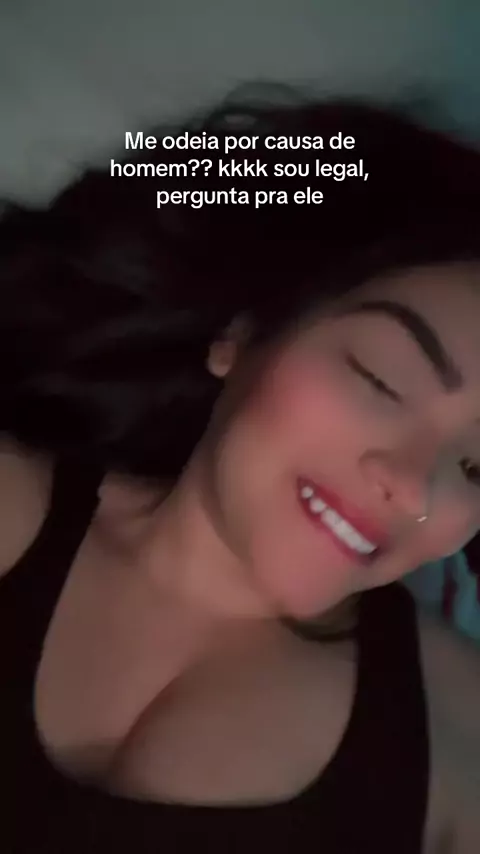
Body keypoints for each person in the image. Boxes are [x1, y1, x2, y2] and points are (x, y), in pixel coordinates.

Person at [1, 91, 480, 853]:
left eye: (477, 467)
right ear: (243, 332)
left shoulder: (462, 733)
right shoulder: (15, 497)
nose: (415, 482)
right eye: (382, 380)